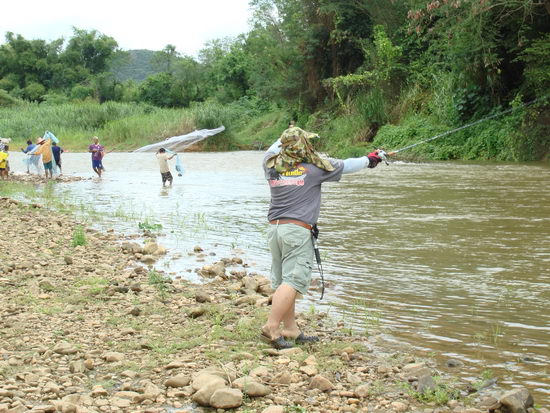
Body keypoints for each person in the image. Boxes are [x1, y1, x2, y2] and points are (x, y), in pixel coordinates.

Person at [261, 126, 393, 349]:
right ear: (303, 146)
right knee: (293, 281)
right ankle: (271, 328)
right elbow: (348, 164)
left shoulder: (270, 164)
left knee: (285, 280)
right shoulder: (314, 168)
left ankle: (291, 328)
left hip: (275, 229)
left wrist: (288, 134)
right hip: (296, 231)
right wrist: (372, 158)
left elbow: (274, 147)